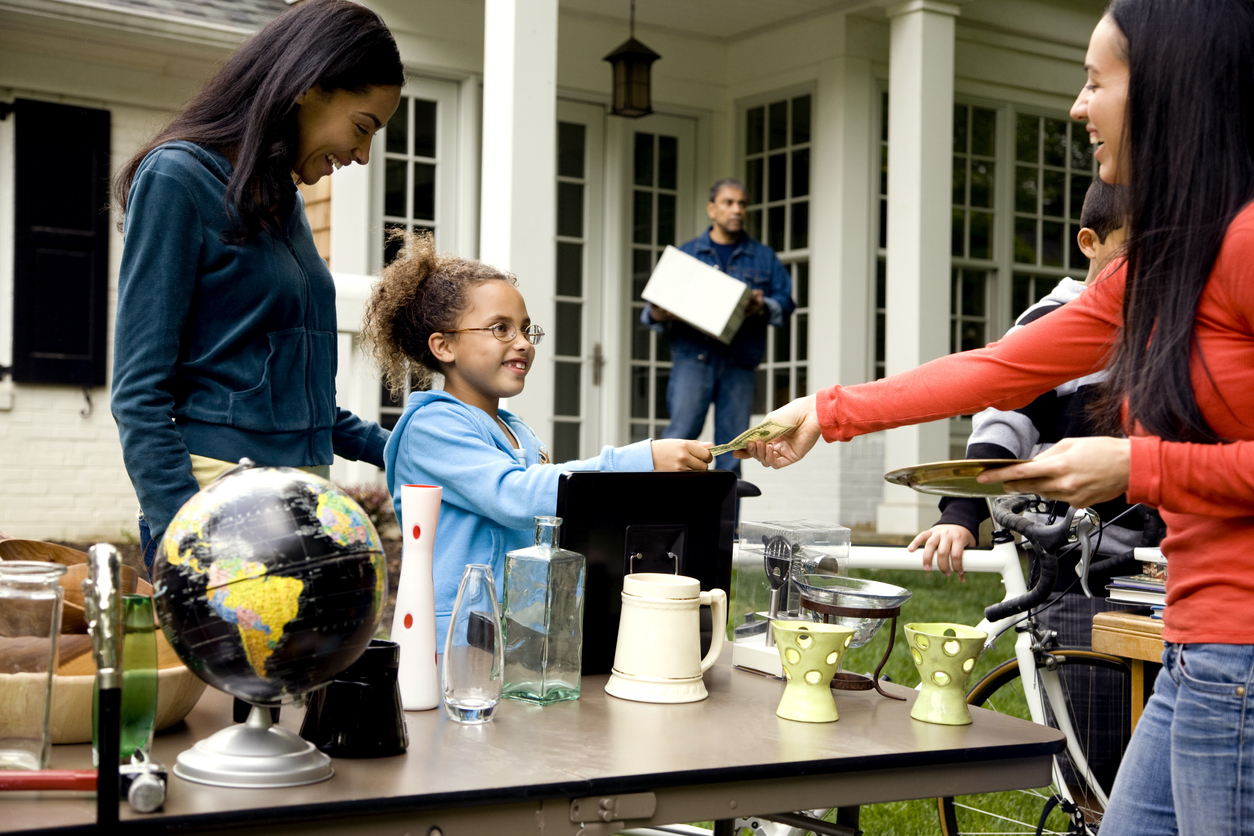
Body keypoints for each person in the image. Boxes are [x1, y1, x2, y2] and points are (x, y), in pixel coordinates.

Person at [740, 1, 1254, 831]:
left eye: (1096, 82)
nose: (1078, 107)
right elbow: (1000, 367)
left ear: (1168, 91)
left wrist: (1136, 467)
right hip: (1197, 649)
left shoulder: (1244, 245)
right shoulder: (1164, 263)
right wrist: (825, 410)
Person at [110, 0, 404, 575]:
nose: (362, 155)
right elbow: (138, 394)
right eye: (362, 126)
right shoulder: (178, 179)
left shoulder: (282, 200)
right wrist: (187, 537)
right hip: (218, 512)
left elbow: (297, 398)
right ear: (307, 88)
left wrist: (405, 446)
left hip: (301, 509)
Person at [913, 178, 1163, 793]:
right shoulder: (1052, 323)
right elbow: (1000, 423)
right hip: (1073, 567)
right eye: (1135, 250)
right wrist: (960, 511)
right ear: (1090, 243)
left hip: (1158, 566)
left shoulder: (1169, 327)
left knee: (1160, 724)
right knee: (1102, 741)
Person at [362, 232, 712, 647]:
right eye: (500, 329)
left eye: (527, 330)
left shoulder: (518, 431)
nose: (524, 344)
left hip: (519, 638)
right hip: (452, 643)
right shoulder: (431, 427)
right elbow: (516, 496)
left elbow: (554, 513)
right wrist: (638, 459)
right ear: (443, 345)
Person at [642, 179, 796, 473]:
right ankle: (664, 516)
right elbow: (649, 314)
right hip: (692, 361)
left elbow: (786, 304)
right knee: (677, 442)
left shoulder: (764, 257)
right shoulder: (685, 256)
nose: (736, 210)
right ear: (712, 209)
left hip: (738, 364)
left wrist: (763, 306)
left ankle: (727, 521)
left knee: (734, 450)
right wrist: (658, 314)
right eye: (728, 203)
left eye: (742, 204)